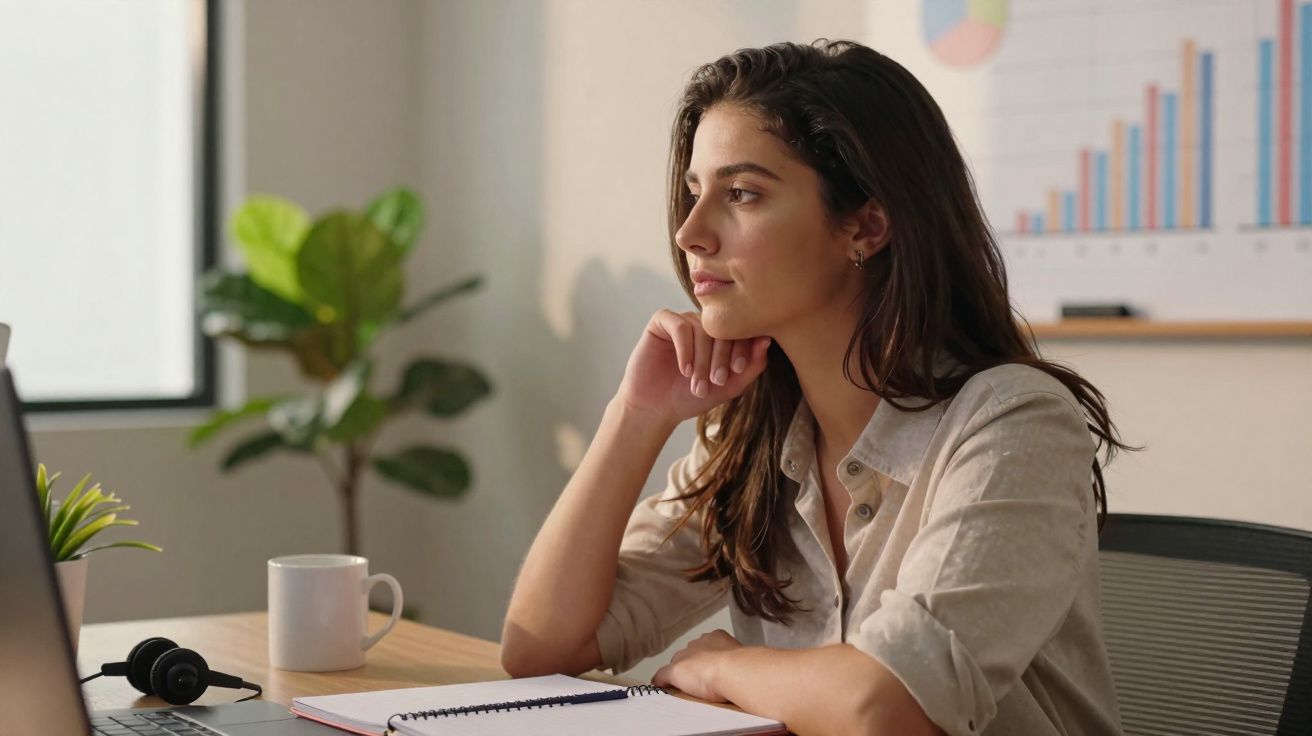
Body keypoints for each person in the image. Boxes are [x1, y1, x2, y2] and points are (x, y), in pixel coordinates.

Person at [501, 39, 1132, 736]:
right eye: (692, 194)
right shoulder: (752, 436)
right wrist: (637, 415)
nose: (690, 233)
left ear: (865, 224)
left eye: (741, 194)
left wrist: (721, 668)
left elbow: (887, 707)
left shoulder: (1014, 425)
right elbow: (540, 646)